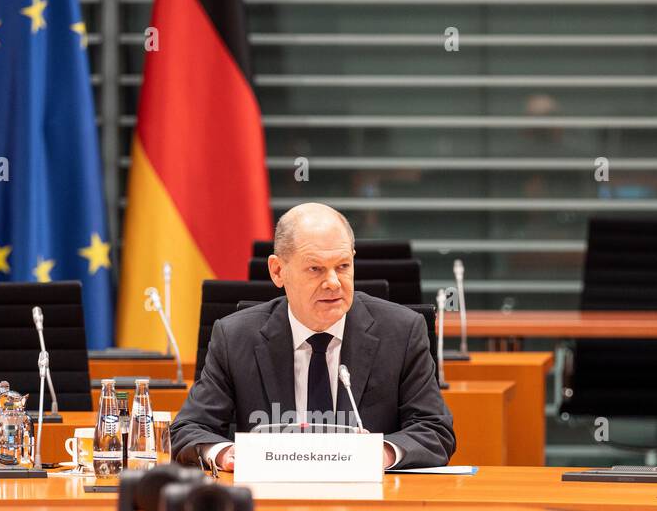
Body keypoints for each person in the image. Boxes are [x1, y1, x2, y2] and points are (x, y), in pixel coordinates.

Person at [170, 202, 455, 471]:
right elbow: (188, 430)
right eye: (315, 269)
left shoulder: (402, 332)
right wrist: (225, 455)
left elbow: (435, 431)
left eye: (343, 266)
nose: (333, 282)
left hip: (369, 508)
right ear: (278, 271)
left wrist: (381, 453)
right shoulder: (235, 337)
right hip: (271, 508)